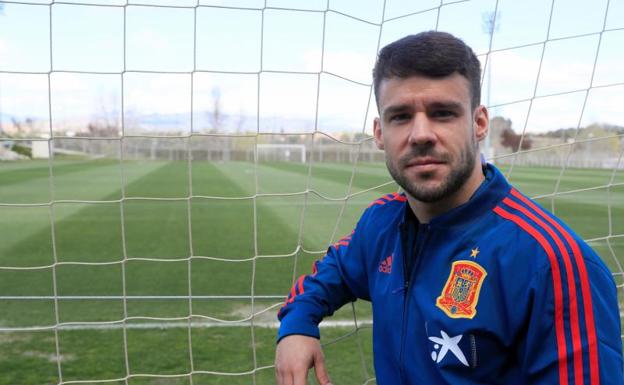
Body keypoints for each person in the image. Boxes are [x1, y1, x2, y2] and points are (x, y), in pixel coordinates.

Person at [274, 31, 623, 385]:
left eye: (443, 113)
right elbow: (327, 276)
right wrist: (296, 325)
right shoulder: (381, 223)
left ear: (479, 123)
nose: (421, 133)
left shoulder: (552, 261)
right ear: (379, 133)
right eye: (400, 117)